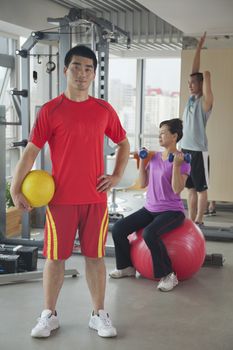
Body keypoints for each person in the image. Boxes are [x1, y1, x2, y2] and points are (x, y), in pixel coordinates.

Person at [10, 45, 130, 338]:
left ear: (93, 74)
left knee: (95, 257)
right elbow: (30, 152)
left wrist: (115, 176)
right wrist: (15, 188)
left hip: (95, 199)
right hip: (60, 200)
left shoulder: (103, 110)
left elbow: (124, 143)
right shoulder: (51, 111)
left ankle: (98, 313)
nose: (82, 73)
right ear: (66, 70)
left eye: (89, 68)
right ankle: (48, 315)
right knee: (54, 257)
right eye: (76, 66)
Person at [109, 118, 191, 292]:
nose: (159, 136)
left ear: (174, 136)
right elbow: (144, 183)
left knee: (149, 233)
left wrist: (176, 166)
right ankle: (127, 267)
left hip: (172, 211)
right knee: (118, 229)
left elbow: (177, 190)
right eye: (159, 133)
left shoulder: (182, 160)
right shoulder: (154, 158)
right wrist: (142, 163)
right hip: (150, 208)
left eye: (163, 133)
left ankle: (169, 275)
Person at [181, 32, 214, 225]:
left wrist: (206, 75)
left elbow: (203, 78)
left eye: (194, 83)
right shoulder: (191, 99)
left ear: (201, 84)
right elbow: (194, 72)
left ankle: (200, 219)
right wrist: (199, 48)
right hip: (185, 150)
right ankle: (190, 220)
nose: (190, 85)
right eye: (189, 83)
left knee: (201, 188)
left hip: (199, 151)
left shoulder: (205, 102)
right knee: (190, 189)